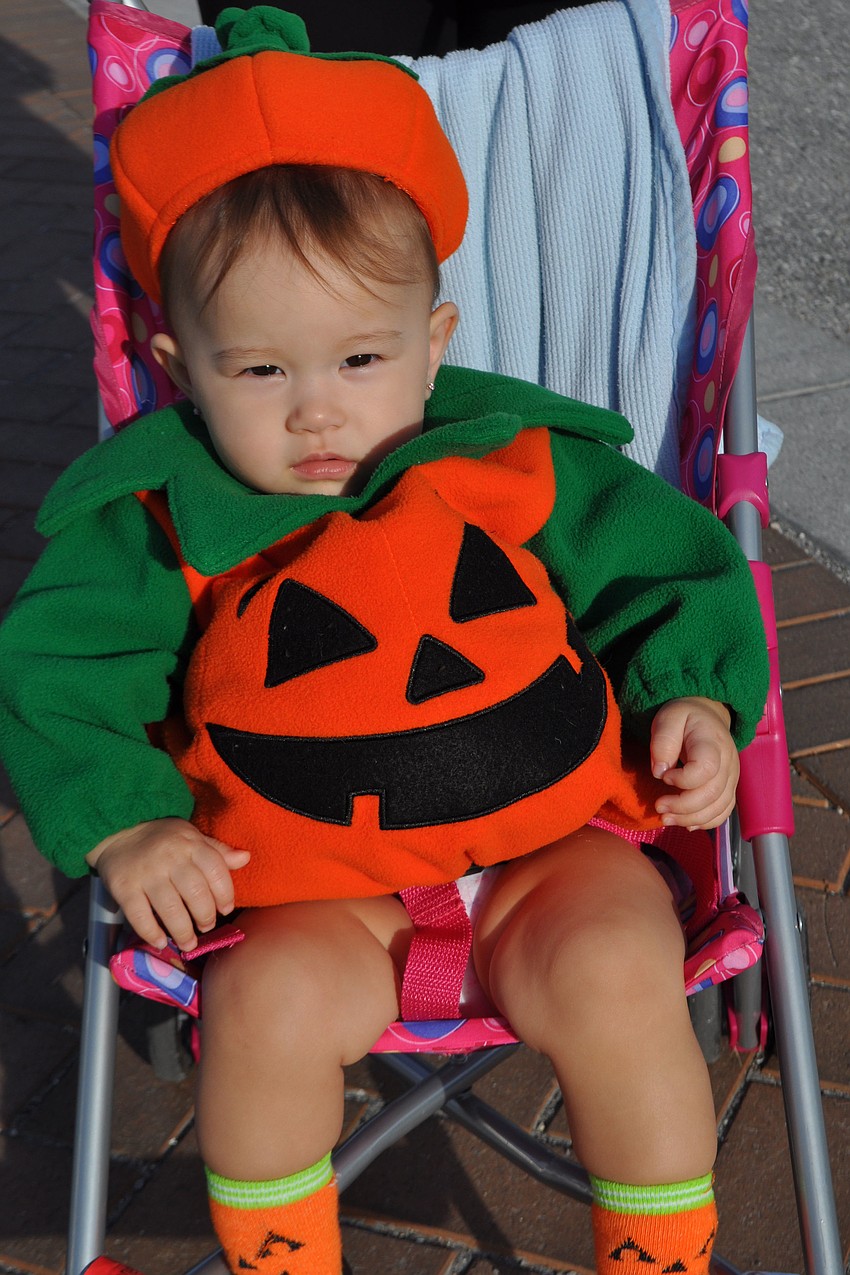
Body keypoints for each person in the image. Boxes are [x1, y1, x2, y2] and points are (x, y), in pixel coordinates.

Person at [0, 9, 769, 1275]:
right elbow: (61, 671)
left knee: (621, 966)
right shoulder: (163, 516)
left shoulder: (511, 460)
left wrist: (691, 695)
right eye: (257, 372)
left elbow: (665, 559)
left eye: (361, 357)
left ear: (435, 346)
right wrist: (125, 820)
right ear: (173, 363)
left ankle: (658, 1261)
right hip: (310, 893)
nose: (317, 409)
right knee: (263, 1003)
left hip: (552, 847)